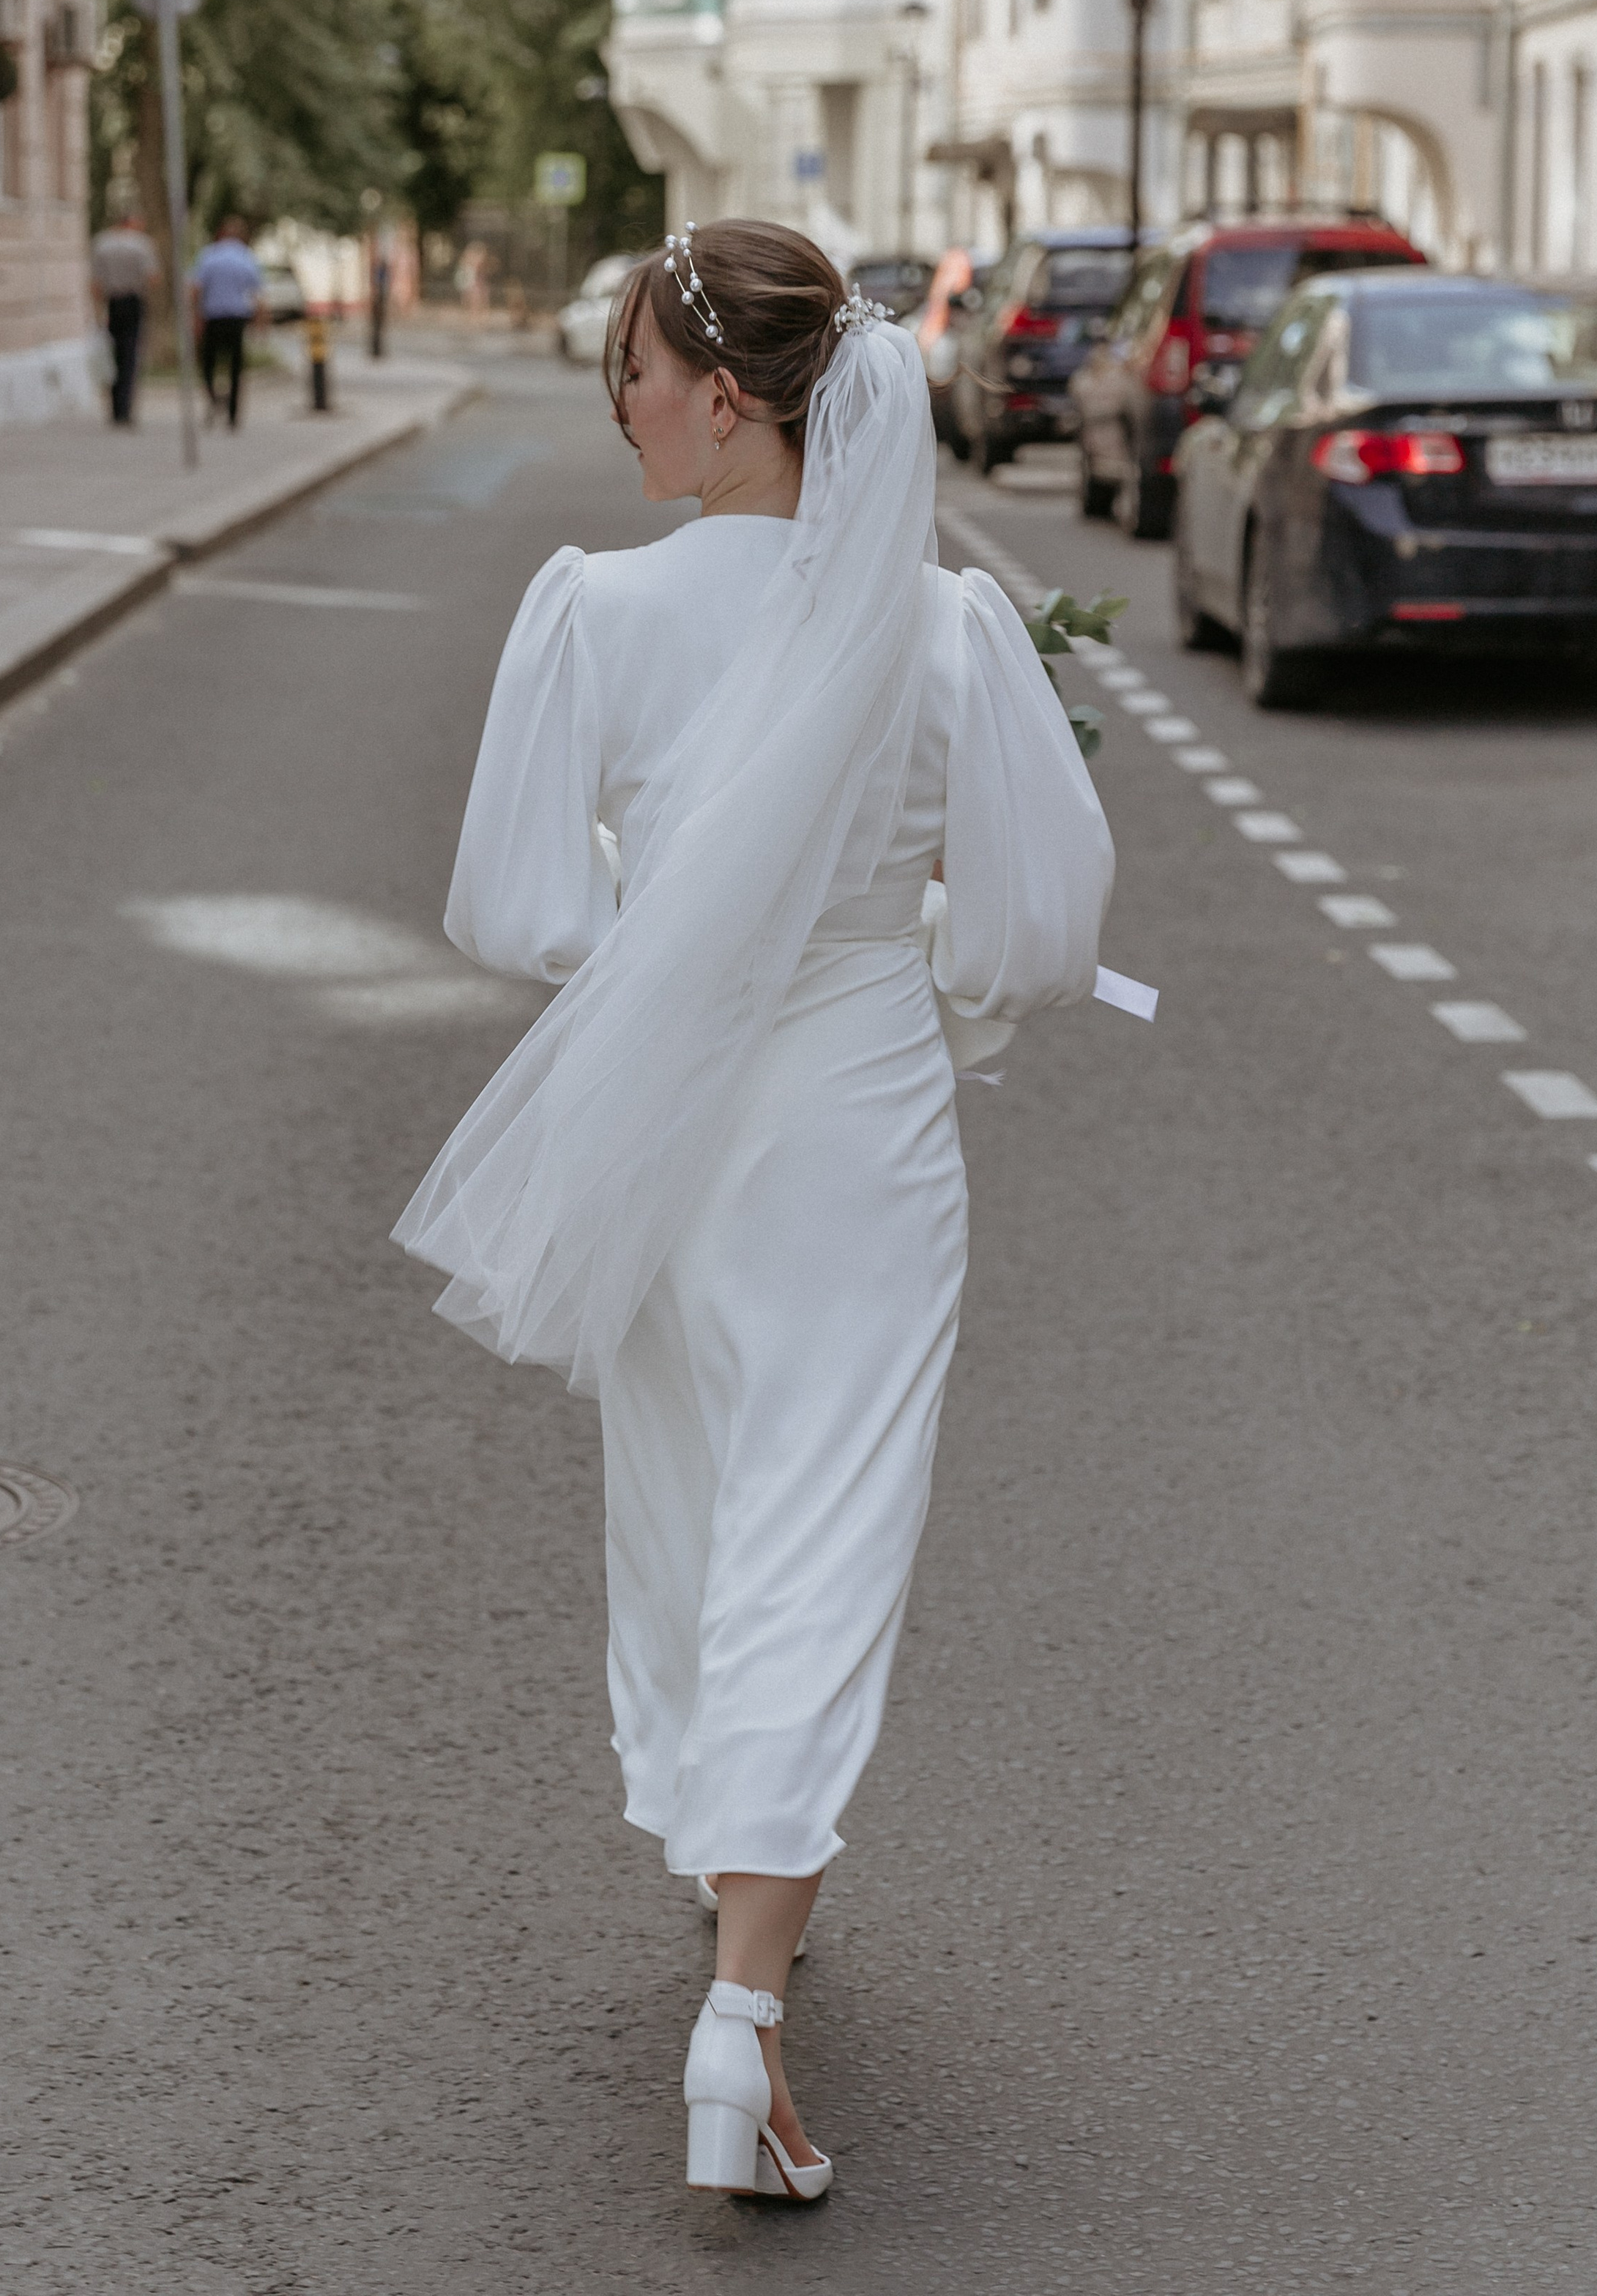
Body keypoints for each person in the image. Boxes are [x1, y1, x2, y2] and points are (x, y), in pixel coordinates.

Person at [392, 221, 1114, 2202]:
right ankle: (742, 2022)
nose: (611, 399)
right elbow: (1042, 931)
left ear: (728, 394)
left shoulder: (588, 612)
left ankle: (742, 1893)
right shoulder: (943, 627)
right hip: (860, 1118)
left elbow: (528, 910)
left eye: (632, 364)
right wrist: (927, 968)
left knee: (701, 1502)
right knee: (826, 1517)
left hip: (663, 1121)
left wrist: (674, 939)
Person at [189, 218, 264, 427]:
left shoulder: (208, 256)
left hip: (212, 318)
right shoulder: (246, 257)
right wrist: (260, 325)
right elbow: (258, 295)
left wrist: (195, 316)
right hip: (237, 319)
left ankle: (214, 399)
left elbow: (196, 290)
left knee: (208, 364)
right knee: (236, 366)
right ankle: (232, 414)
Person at [89, 210, 160, 426]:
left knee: (114, 356)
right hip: (133, 301)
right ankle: (125, 408)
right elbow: (153, 278)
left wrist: (98, 310)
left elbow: (95, 283)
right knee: (130, 357)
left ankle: (115, 408)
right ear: (132, 223)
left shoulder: (102, 243)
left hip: (112, 303)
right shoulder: (142, 244)